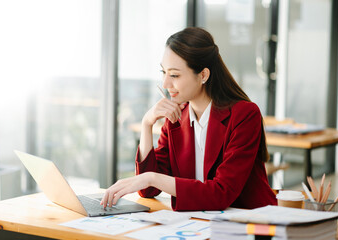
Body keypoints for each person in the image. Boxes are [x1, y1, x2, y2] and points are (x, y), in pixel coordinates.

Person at [101, 27, 277, 211]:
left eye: (175, 75)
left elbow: (221, 193)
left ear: (203, 75)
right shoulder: (176, 118)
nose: (165, 84)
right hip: (199, 222)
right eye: (164, 72)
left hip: (249, 222)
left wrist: (151, 177)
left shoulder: (245, 115)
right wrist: (147, 123)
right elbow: (147, 189)